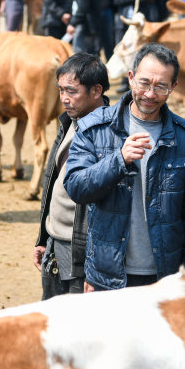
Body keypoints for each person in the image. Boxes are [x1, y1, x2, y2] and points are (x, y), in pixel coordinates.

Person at [63, 43, 185, 291]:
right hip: (107, 276)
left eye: (161, 86)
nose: (150, 94)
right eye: (144, 83)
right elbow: (76, 188)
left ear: (173, 87)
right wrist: (118, 160)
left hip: (164, 278)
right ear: (130, 78)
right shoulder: (93, 127)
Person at [34, 53, 110, 299]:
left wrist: (96, 267)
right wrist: (44, 238)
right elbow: (52, 183)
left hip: (81, 253)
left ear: (96, 91)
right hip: (56, 244)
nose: (64, 99)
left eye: (72, 91)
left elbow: (109, 209)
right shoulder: (70, 122)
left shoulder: (109, 136)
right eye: (61, 90)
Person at [112, 0, 154, 93]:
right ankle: (125, 81)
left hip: (139, 26)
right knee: (124, 51)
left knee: (140, 53)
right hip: (124, 22)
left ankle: (140, 80)